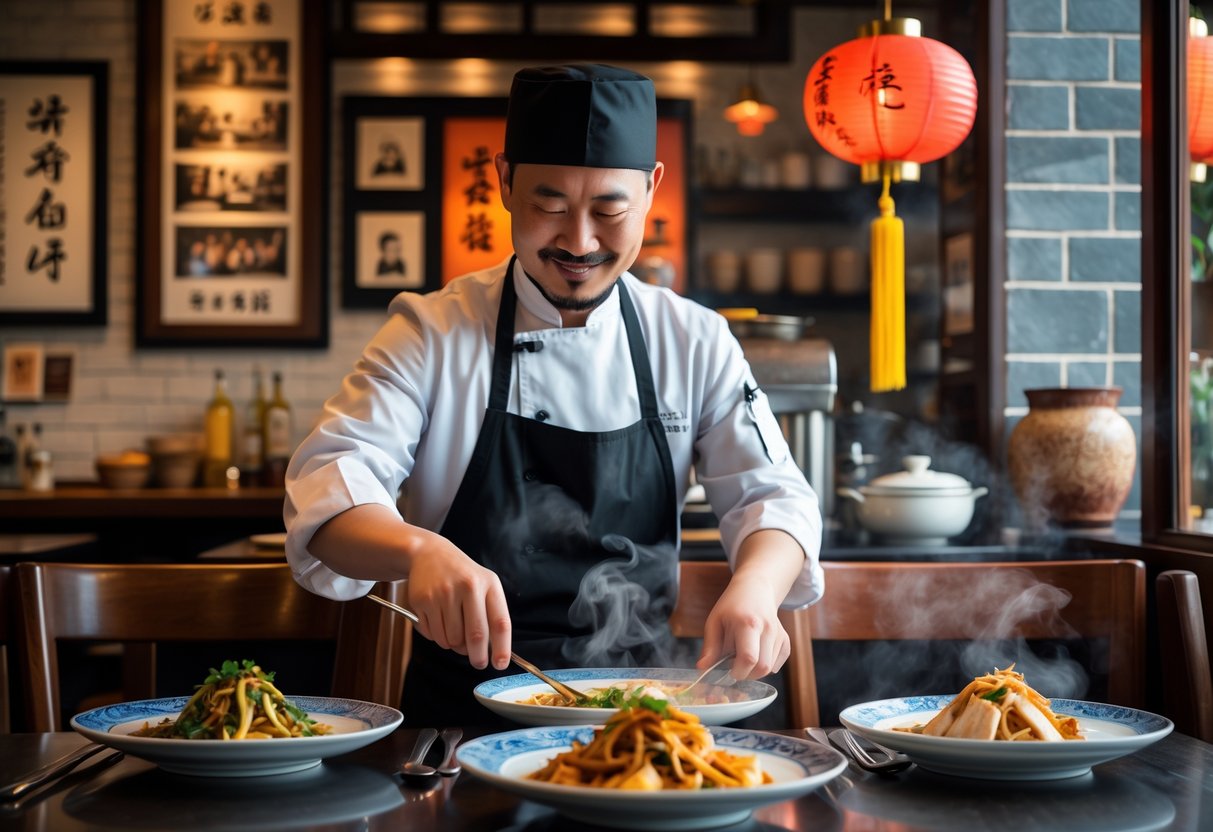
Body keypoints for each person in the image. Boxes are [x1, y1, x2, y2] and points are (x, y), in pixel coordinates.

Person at [284, 64, 823, 727]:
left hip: (648, 717)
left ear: (652, 189)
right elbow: (327, 489)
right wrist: (417, 552)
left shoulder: (694, 340)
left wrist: (756, 589)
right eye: (549, 205)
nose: (578, 240)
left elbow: (772, 495)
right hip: (458, 727)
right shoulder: (430, 332)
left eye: (608, 209)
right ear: (504, 181)